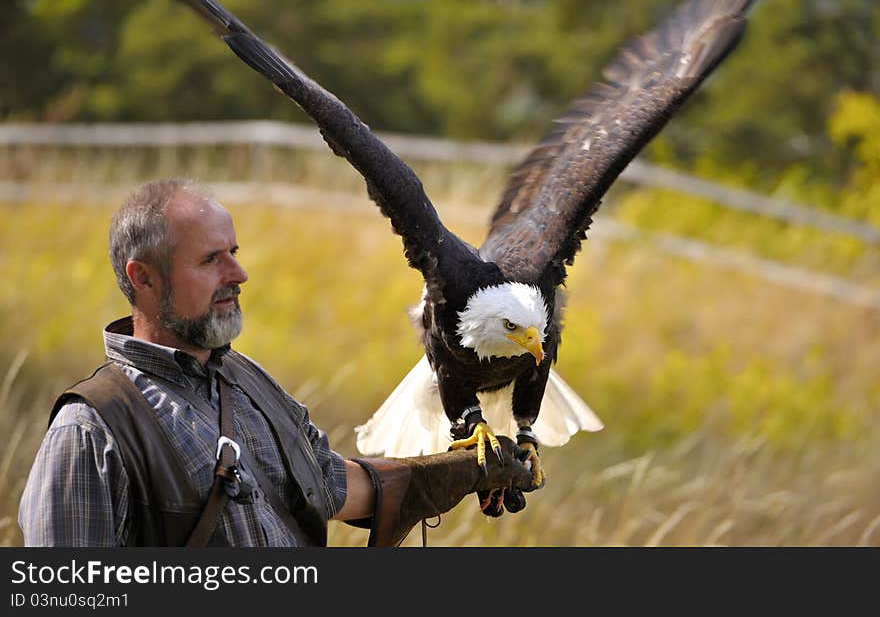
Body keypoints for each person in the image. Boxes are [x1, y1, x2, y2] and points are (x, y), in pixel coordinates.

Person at [18, 177, 533, 547]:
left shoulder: (248, 382)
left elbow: (327, 487)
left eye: (234, 252)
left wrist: (459, 472)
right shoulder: (91, 431)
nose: (239, 273)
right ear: (144, 279)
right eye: (210, 260)